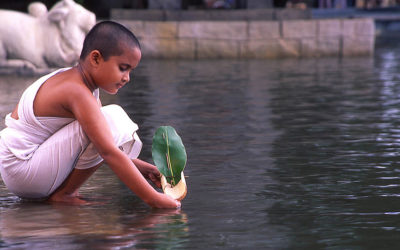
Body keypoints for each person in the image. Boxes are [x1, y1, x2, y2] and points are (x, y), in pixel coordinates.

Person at [0, 20, 181, 208]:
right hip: (23, 171)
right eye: (123, 68)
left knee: (106, 122)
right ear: (95, 59)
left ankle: (64, 192)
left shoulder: (82, 85)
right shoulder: (77, 91)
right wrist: (154, 199)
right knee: (113, 119)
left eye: (130, 71)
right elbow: (107, 150)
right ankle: (66, 194)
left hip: (20, 171)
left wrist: (143, 168)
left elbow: (102, 144)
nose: (127, 78)